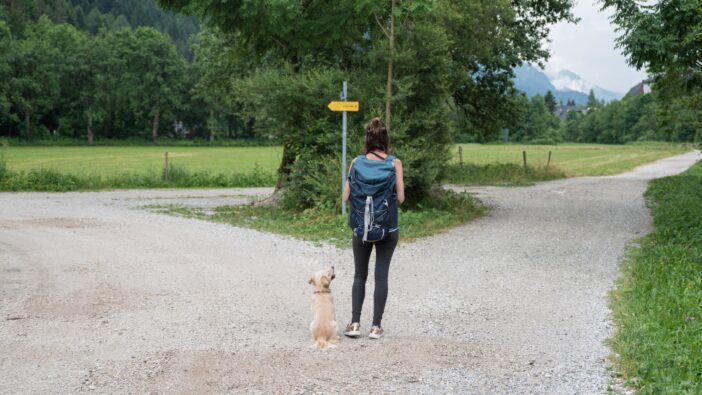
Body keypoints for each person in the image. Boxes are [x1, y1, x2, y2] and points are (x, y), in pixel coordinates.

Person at [342, 117, 404, 339]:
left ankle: (355, 324)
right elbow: (402, 198)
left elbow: (345, 196)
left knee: (359, 275)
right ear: (385, 139)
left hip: (361, 227)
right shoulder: (394, 163)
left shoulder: (356, 163)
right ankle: (376, 327)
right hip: (388, 228)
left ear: (367, 139)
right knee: (381, 276)